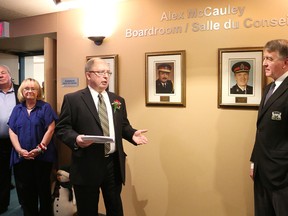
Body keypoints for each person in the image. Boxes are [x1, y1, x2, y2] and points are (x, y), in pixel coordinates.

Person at [55, 57, 148, 216]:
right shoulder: (73, 99)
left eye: (108, 73)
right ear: (88, 75)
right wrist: (76, 139)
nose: (105, 76)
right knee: (88, 210)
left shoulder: (117, 100)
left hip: (113, 164)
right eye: (100, 72)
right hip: (87, 164)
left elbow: (123, 125)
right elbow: (63, 128)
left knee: (115, 207)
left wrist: (132, 134)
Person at [8, 78, 58, 216]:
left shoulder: (45, 107)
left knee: (43, 191)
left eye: (33, 89)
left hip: (42, 157)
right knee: (26, 191)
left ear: (38, 92)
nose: (29, 91)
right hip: (21, 158)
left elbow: (50, 129)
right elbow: (12, 130)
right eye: (26, 89)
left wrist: (40, 148)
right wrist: (19, 150)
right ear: (22, 92)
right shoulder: (17, 109)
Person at [250, 39, 288, 216]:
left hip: (282, 178)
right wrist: (254, 161)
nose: (264, 63)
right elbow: (262, 130)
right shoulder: (269, 88)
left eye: (270, 59)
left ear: (285, 63)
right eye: (264, 58)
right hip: (262, 172)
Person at [0, 65, 19, 214]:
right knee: (2, 175)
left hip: (20, 141)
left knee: (22, 174)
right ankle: (2, 205)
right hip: (0, 142)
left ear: (9, 75)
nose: (0, 75)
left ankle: (26, 204)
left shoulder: (21, 90)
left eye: (3, 72)